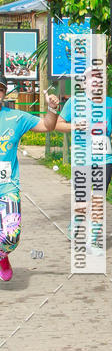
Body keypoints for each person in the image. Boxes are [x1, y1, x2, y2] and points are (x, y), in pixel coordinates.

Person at [55, 69, 112, 238]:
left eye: (99, 78)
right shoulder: (74, 102)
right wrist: (75, 126)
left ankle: (94, 234)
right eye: (92, 78)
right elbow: (58, 124)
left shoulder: (110, 103)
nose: (96, 81)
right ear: (84, 83)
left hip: (104, 159)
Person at [0, 75, 60, 281]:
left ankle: (2, 255)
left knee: (11, 237)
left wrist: (52, 109)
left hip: (7, 187)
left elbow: (47, 126)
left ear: (3, 93)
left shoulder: (15, 118)